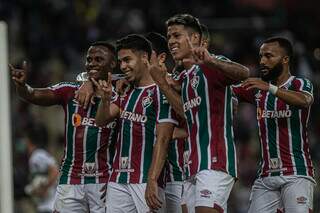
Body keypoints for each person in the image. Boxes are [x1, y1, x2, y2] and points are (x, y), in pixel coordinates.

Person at [147, 14, 249, 213]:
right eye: (169, 37)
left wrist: (212, 61)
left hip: (214, 162)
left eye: (176, 36)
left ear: (194, 38)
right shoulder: (185, 78)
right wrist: (162, 83)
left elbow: (243, 73)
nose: (171, 42)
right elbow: (186, 113)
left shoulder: (211, 64)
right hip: (192, 166)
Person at [10, 41, 118, 213]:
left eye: (99, 59)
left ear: (113, 63)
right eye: (89, 59)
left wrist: (90, 82)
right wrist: (23, 87)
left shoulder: (121, 97)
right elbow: (35, 95)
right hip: (70, 180)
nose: (92, 63)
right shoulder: (70, 91)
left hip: (103, 181)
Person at [93, 34, 177, 213]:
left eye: (127, 60)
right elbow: (100, 121)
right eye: (120, 61)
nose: (122, 66)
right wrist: (106, 100)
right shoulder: (126, 90)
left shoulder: (162, 91)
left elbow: (163, 139)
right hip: (119, 178)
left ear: (144, 57)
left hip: (145, 178)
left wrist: (152, 180)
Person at [232, 37, 315, 213]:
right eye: (261, 56)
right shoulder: (257, 90)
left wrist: (270, 88)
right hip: (266, 176)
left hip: (296, 173)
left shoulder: (299, 83)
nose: (262, 61)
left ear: (285, 59)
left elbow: (305, 100)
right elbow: (226, 91)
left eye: (269, 56)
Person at [145, 32, 187, 213]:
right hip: (145, 178)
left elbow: (200, 121)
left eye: (144, 55)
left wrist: (172, 133)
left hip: (179, 177)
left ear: (161, 58)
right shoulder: (130, 87)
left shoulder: (177, 83)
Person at [22, 128, 59, 213]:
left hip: (49, 205)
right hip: (44, 205)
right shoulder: (35, 156)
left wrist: (45, 187)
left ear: (29, 141)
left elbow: (54, 171)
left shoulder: (38, 155)